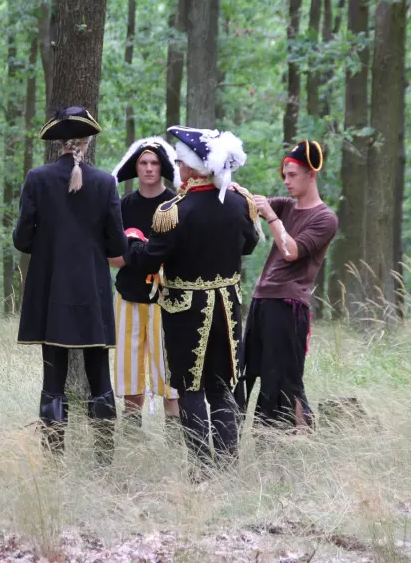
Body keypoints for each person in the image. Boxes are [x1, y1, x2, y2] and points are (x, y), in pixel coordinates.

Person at [111, 125, 261, 477]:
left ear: (193, 168)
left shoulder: (173, 211)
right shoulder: (239, 202)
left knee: (190, 388)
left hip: (186, 313)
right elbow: (250, 244)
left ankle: (201, 468)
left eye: (179, 164)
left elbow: (149, 260)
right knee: (222, 387)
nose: (176, 169)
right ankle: (227, 464)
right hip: (227, 309)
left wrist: (131, 242)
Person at [13, 106, 127, 464]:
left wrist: (48, 242)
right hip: (92, 291)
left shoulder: (37, 178)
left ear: (60, 143)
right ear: (88, 141)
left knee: (53, 379)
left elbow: (21, 239)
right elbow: (118, 245)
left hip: (51, 291)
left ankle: (53, 459)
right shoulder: (106, 183)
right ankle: (104, 459)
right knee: (100, 376)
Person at [240, 140, 338, 430]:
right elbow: (250, 203)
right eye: (284, 175)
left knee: (284, 379)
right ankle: (250, 437)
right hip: (262, 300)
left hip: (288, 306)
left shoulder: (325, 218)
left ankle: (294, 441)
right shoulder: (286, 205)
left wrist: (271, 216)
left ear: (311, 174)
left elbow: (291, 251)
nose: (286, 181)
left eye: (293, 175)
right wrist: (233, 190)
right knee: (247, 372)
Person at [110, 137, 180, 431]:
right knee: (129, 375)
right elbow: (114, 258)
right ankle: (132, 442)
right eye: (143, 163)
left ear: (163, 167)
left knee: (170, 377)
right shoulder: (123, 206)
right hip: (128, 297)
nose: (149, 168)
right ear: (135, 167)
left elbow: (181, 255)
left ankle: (175, 441)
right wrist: (142, 253)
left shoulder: (177, 204)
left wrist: (139, 253)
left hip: (168, 301)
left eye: (154, 163)